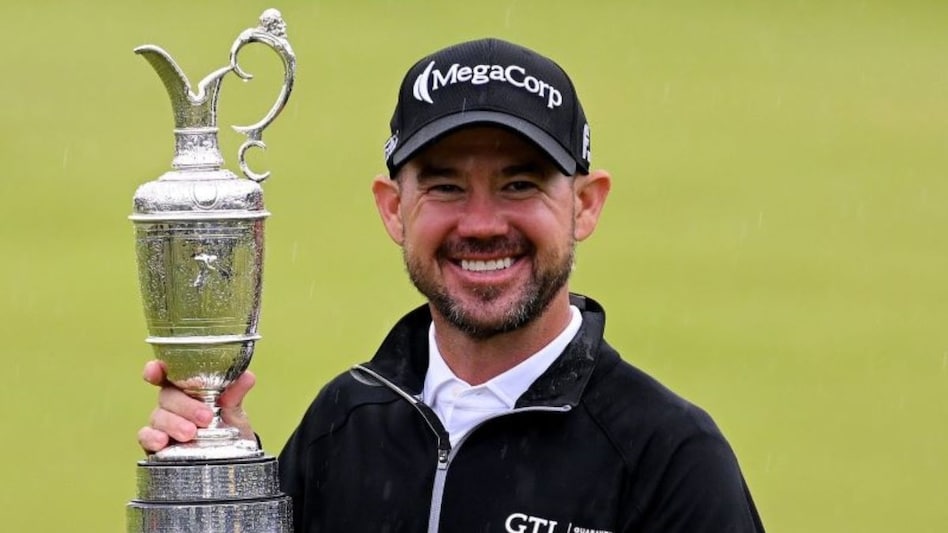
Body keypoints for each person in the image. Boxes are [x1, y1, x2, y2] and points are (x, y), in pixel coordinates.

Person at [139, 38, 765, 532]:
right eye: (445, 187)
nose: (483, 224)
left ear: (584, 204)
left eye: (520, 184)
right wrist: (225, 491)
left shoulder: (667, 457)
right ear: (393, 209)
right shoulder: (344, 426)